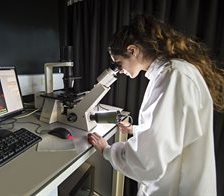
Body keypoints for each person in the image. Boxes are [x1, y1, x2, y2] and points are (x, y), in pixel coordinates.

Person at [88, 14, 224, 196]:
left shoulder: (173, 77)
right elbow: (174, 132)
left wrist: (107, 150)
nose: (119, 71)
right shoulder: (173, 72)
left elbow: (147, 161)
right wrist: (136, 130)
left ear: (133, 50)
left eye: (118, 63)